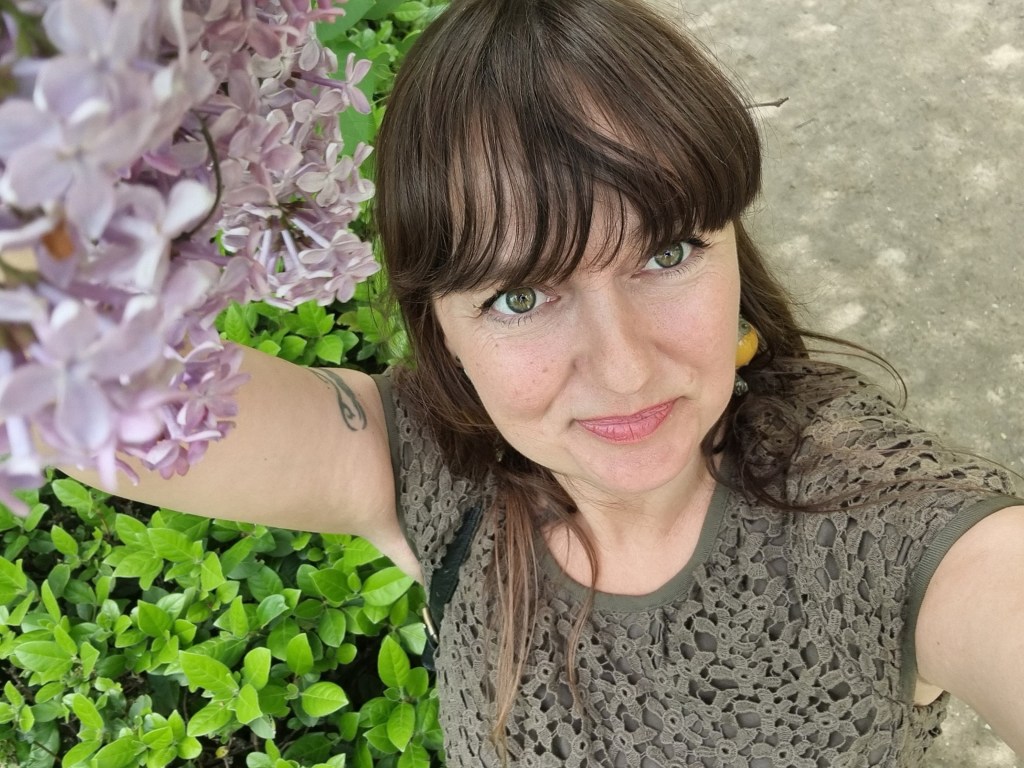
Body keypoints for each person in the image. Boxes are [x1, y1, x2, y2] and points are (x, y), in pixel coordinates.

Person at [86, 0, 1024, 765]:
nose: (625, 367)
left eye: (667, 252)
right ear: (442, 330)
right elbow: (76, 388)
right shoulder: (430, 470)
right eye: (521, 296)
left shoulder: (881, 522)